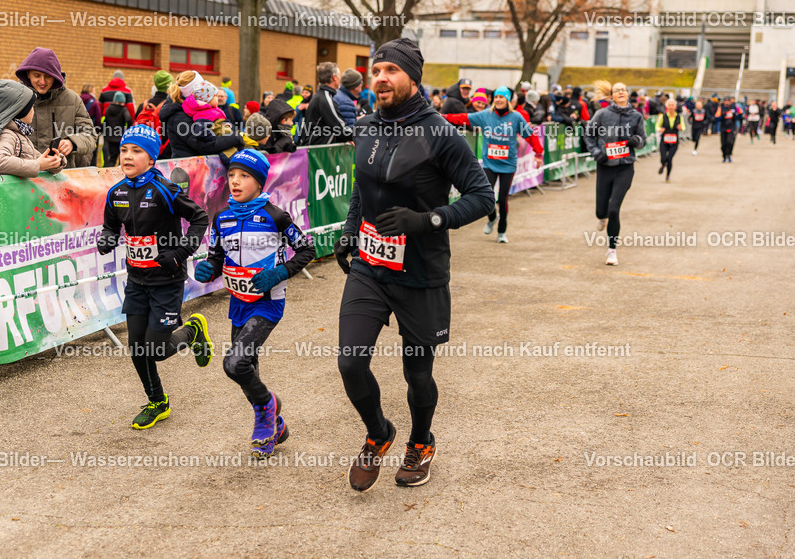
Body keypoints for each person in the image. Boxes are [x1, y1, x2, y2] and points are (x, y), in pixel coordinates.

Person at [332, 39, 494, 491]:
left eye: (391, 70)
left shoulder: (441, 134)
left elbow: (482, 196)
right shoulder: (365, 126)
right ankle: (379, 432)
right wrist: (350, 230)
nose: (380, 78)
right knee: (350, 363)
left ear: (413, 78)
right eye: (375, 70)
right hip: (370, 266)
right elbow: (363, 187)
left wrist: (426, 220)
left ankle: (421, 442)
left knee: (417, 374)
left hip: (421, 272)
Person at [194, 149, 315, 458]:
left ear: (259, 183)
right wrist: (208, 269)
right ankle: (275, 424)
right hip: (239, 303)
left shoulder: (276, 216)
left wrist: (279, 273)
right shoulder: (222, 218)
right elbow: (216, 257)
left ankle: (267, 409)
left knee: (234, 363)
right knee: (247, 371)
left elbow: (306, 249)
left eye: (244, 176)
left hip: (267, 304)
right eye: (232, 175)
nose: (235, 181)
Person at [96, 124, 213, 429]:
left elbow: (200, 217)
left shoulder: (165, 189)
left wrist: (179, 252)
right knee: (137, 347)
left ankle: (192, 332)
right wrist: (107, 239)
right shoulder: (116, 193)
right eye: (124, 149)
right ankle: (158, 402)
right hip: (137, 281)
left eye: (136, 151)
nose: (127, 156)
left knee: (157, 350)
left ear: (151, 159)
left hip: (166, 281)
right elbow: (111, 226)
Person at [583, 80, 646, 266]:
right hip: (605, 166)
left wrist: (636, 140)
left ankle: (612, 251)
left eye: (623, 90)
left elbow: (643, 139)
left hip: (625, 167)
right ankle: (602, 217)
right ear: (611, 96)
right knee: (601, 210)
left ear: (627, 94)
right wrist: (597, 153)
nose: (620, 92)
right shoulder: (602, 114)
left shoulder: (636, 116)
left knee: (614, 208)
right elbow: (588, 134)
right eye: (617, 90)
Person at [468, 86, 542, 243]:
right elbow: (462, 117)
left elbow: (531, 136)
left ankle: (501, 231)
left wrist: (538, 154)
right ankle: (492, 218)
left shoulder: (516, 117)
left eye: (501, 97)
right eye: (496, 97)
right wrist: (440, 116)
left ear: (508, 100)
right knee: (486, 196)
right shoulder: (486, 115)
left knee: (502, 199)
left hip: (508, 165)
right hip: (489, 163)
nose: (498, 100)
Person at [15, 47, 97, 168]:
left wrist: (72, 142)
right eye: (37, 75)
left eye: (48, 76)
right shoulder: (15, 98)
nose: (42, 82)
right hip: (23, 174)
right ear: (28, 74)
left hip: (62, 174)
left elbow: (90, 134)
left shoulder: (72, 99)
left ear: (55, 76)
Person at [0, 83, 67, 178]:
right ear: (22, 110)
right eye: (31, 107)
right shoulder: (8, 134)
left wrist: (54, 161)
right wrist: (38, 165)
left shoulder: (20, 134)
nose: (33, 110)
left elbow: (35, 159)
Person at [158, 72, 243, 159]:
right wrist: (235, 138)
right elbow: (204, 146)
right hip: (188, 165)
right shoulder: (178, 116)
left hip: (199, 163)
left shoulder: (196, 109)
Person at [302, 62, 353, 146]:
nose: (340, 78)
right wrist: (357, 136)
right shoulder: (325, 98)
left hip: (313, 146)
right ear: (334, 77)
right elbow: (339, 127)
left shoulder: (321, 95)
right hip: (316, 149)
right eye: (339, 75)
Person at [656, 98, 684, 182]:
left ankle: (668, 176)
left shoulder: (679, 117)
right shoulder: (662, 116)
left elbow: (683, 127)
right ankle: (662, 164)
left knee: (669, 159)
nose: (671, 107)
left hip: (674, 142)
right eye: (669, 105)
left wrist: (681, 128)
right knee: (663, 158)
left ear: (675, 107)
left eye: (672, 105)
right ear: (667, 106)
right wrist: (659, 129)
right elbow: (657, 126)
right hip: (664, 141)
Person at [102, 91, 134, 167]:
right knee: (122, 158)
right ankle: (121, 173)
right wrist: (128, 130)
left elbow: (105, 122)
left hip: (110, 138)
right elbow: (128, 119)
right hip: (120, 138)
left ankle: (108, 173)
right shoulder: (123, 109)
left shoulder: (108, 109)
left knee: (112, 158)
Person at [717, 96, 743, 162]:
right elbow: (717, 117)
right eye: (725, 101)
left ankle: (729, 154)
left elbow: (740, 114)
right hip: (723, 128)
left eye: (728, 101)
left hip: (731, 127)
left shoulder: (734, 107)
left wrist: (736, 115)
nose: (727, 102)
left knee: (730, 142)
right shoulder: (721, 108)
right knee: (723, 144)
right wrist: (723, 115)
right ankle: (724, 155)